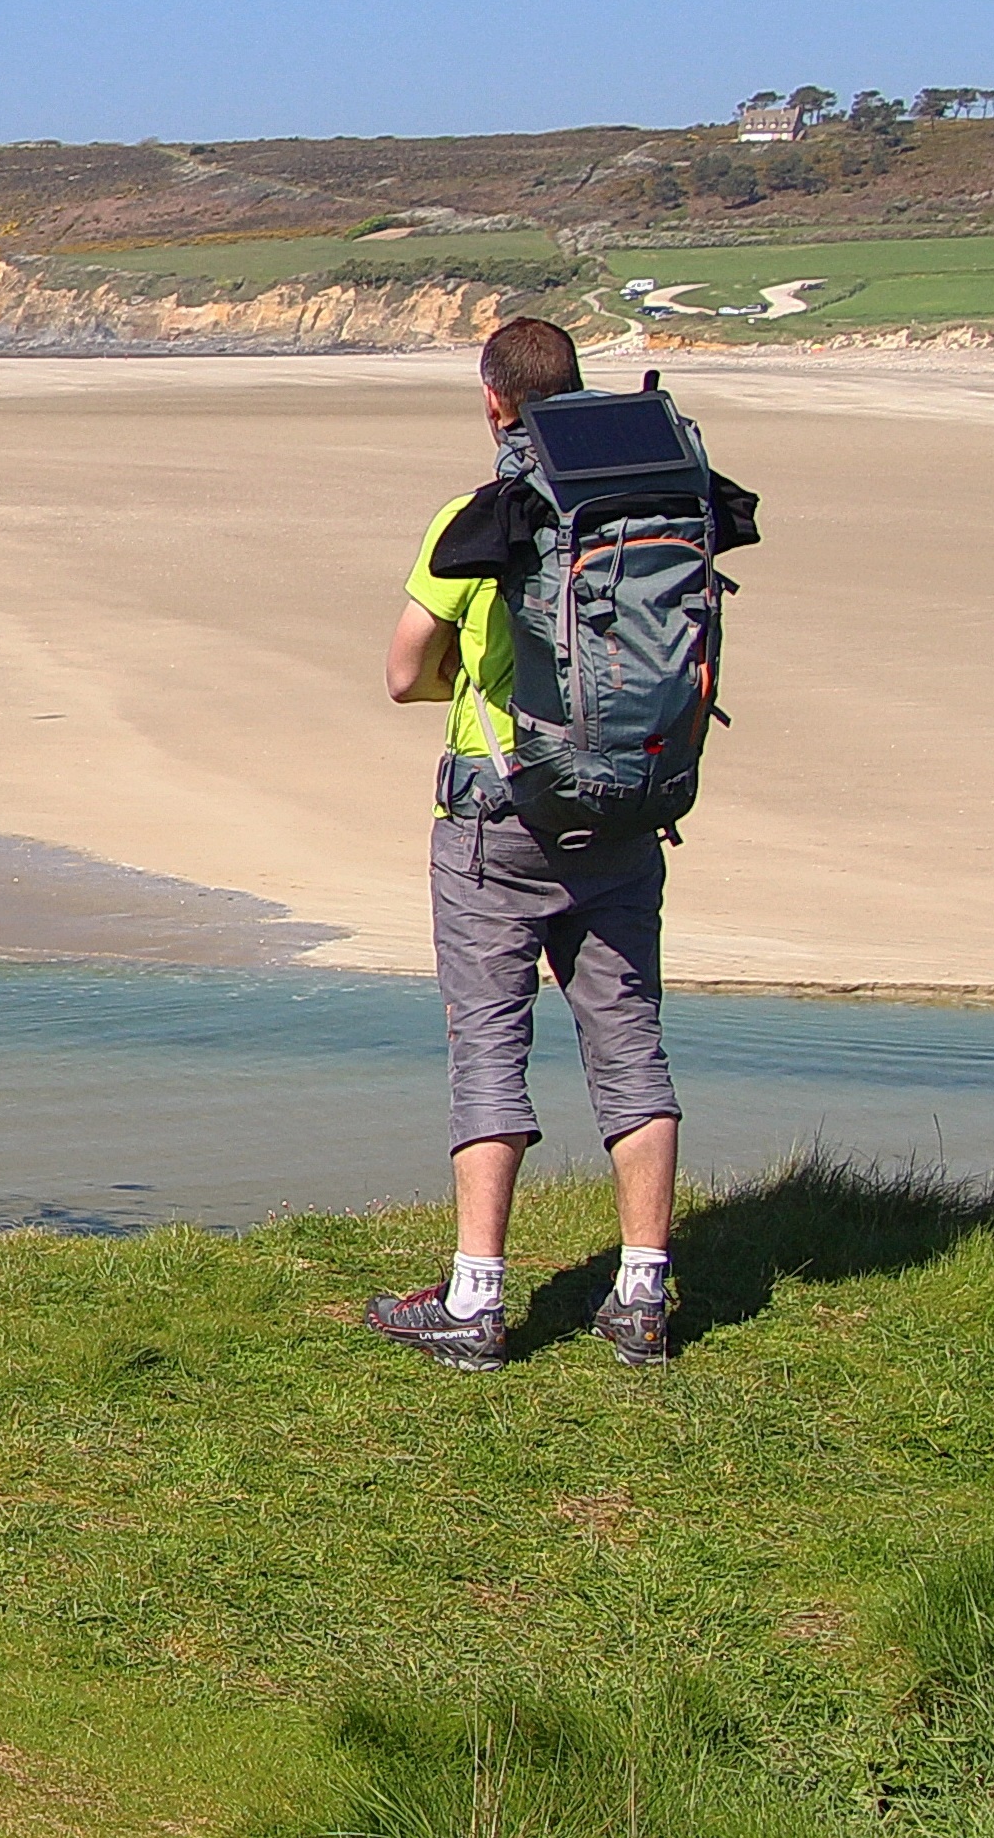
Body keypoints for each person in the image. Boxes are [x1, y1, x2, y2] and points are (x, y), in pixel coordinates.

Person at [366, 317, 680, 1371]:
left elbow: (404, 673)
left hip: (496, 822)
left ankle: (476, 1301)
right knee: (628, 1044)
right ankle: (642, 1293)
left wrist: (483, 684)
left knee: (488, 1050)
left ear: (493, 401)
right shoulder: (645, 505)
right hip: (626, 811)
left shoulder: (481, 515)